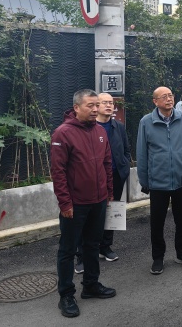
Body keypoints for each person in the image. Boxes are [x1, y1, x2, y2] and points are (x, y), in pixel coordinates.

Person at [51, 89, 116, 318]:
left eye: (97, 105)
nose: (96, 109)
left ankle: (91, 285)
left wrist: (109, 192)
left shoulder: (100, 131)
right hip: (75, 204)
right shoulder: (63, 133)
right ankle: (66, 295)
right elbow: (58, 172)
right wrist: (65, 203)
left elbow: (107, 164)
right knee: (68, 250)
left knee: (92, 245)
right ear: (77, 107)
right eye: (91, 105)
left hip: (98, 200)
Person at [137, 87, 182, 275]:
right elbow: (142, 153)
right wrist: (145, 180)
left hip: (181, 179)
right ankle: (158, 257)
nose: (169, 99)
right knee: (157, 222)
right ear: (155, 101)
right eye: (164, 97)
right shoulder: (146, 122)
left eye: (170, 95)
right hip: (158, 181)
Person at [74, 92, 132, 273]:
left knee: (113, 212)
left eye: (111, 103)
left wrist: (124, 167)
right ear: (96, 106)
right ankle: (81, 255)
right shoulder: (89, 127)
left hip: (116, 175)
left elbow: (126, 149)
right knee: (88, 216)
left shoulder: (118, 126)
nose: (109, 105)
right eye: (104, 102)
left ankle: (105, 246)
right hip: (93, 179)